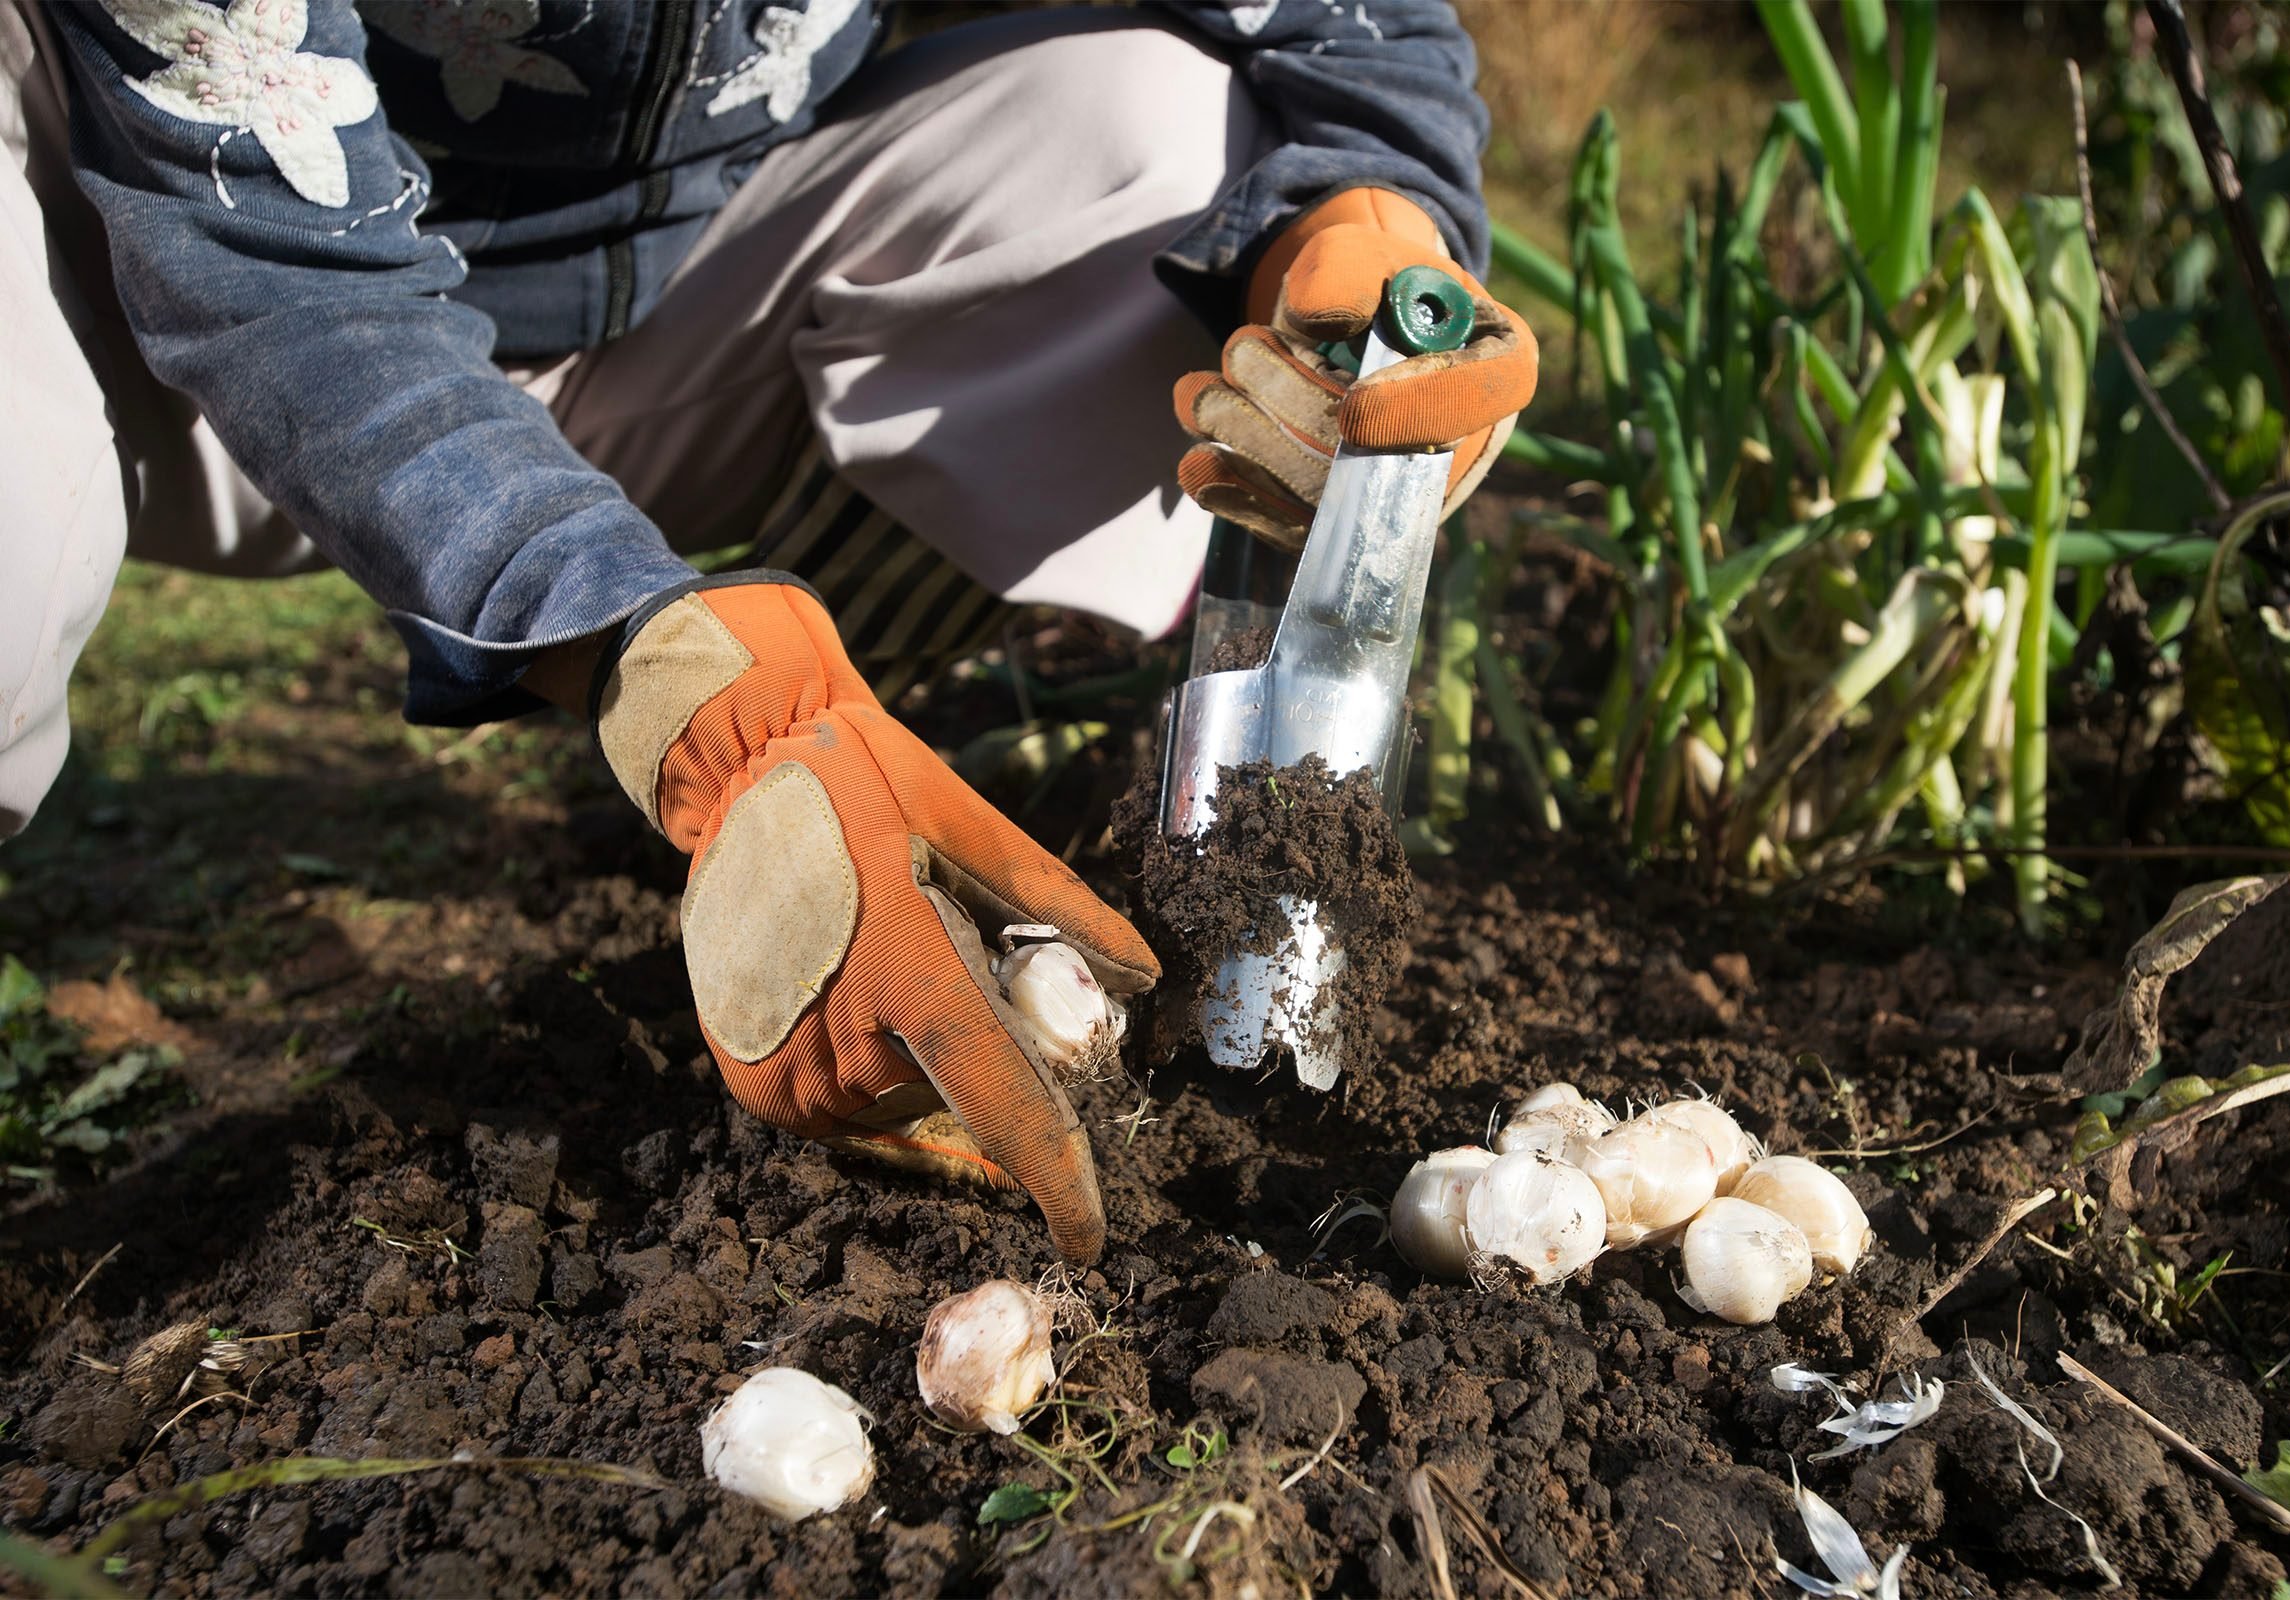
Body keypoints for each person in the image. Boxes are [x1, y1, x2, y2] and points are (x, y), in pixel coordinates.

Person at [0, 0, 1536, 1263]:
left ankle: (823, 738)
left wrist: (1375, 212)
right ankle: (696, 716)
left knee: (1161, 134)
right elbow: (283, 280)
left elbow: (1357, 29)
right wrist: (657, 666)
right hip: (161, 288)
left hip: (658, 308)